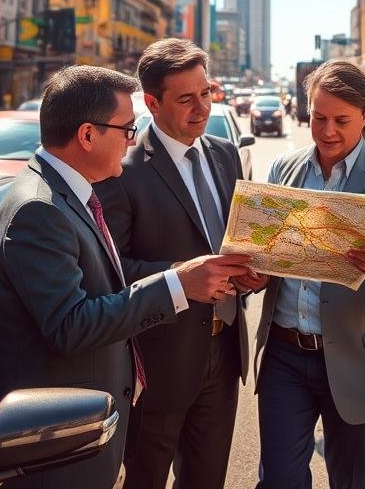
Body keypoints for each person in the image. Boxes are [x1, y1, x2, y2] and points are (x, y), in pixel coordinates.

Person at [0, 64, 251, 489]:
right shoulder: (39, 209)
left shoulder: (70, 192)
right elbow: (70, 326)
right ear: (88, 135)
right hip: (61, 429)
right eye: (126, 129)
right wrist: (177, 284)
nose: (131, 141)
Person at [253, 59, 365, 489]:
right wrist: (253, 269)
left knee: (352, 479)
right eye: (318, 117)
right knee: (279, 479)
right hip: (285, 355)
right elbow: (266, 252)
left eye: (341, 120)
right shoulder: (284, 170)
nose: (327, 131)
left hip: (359, 359)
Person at [95, 39, 265, 489]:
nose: (202, 107)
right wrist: (180, 278)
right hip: (159, 362)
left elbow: (237, 243)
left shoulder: (227, 155)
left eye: (206, 93)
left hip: (225, 352)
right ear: (151, 102)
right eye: (186, 98)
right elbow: (111, 271)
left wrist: (254, 274)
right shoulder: (124, 169)